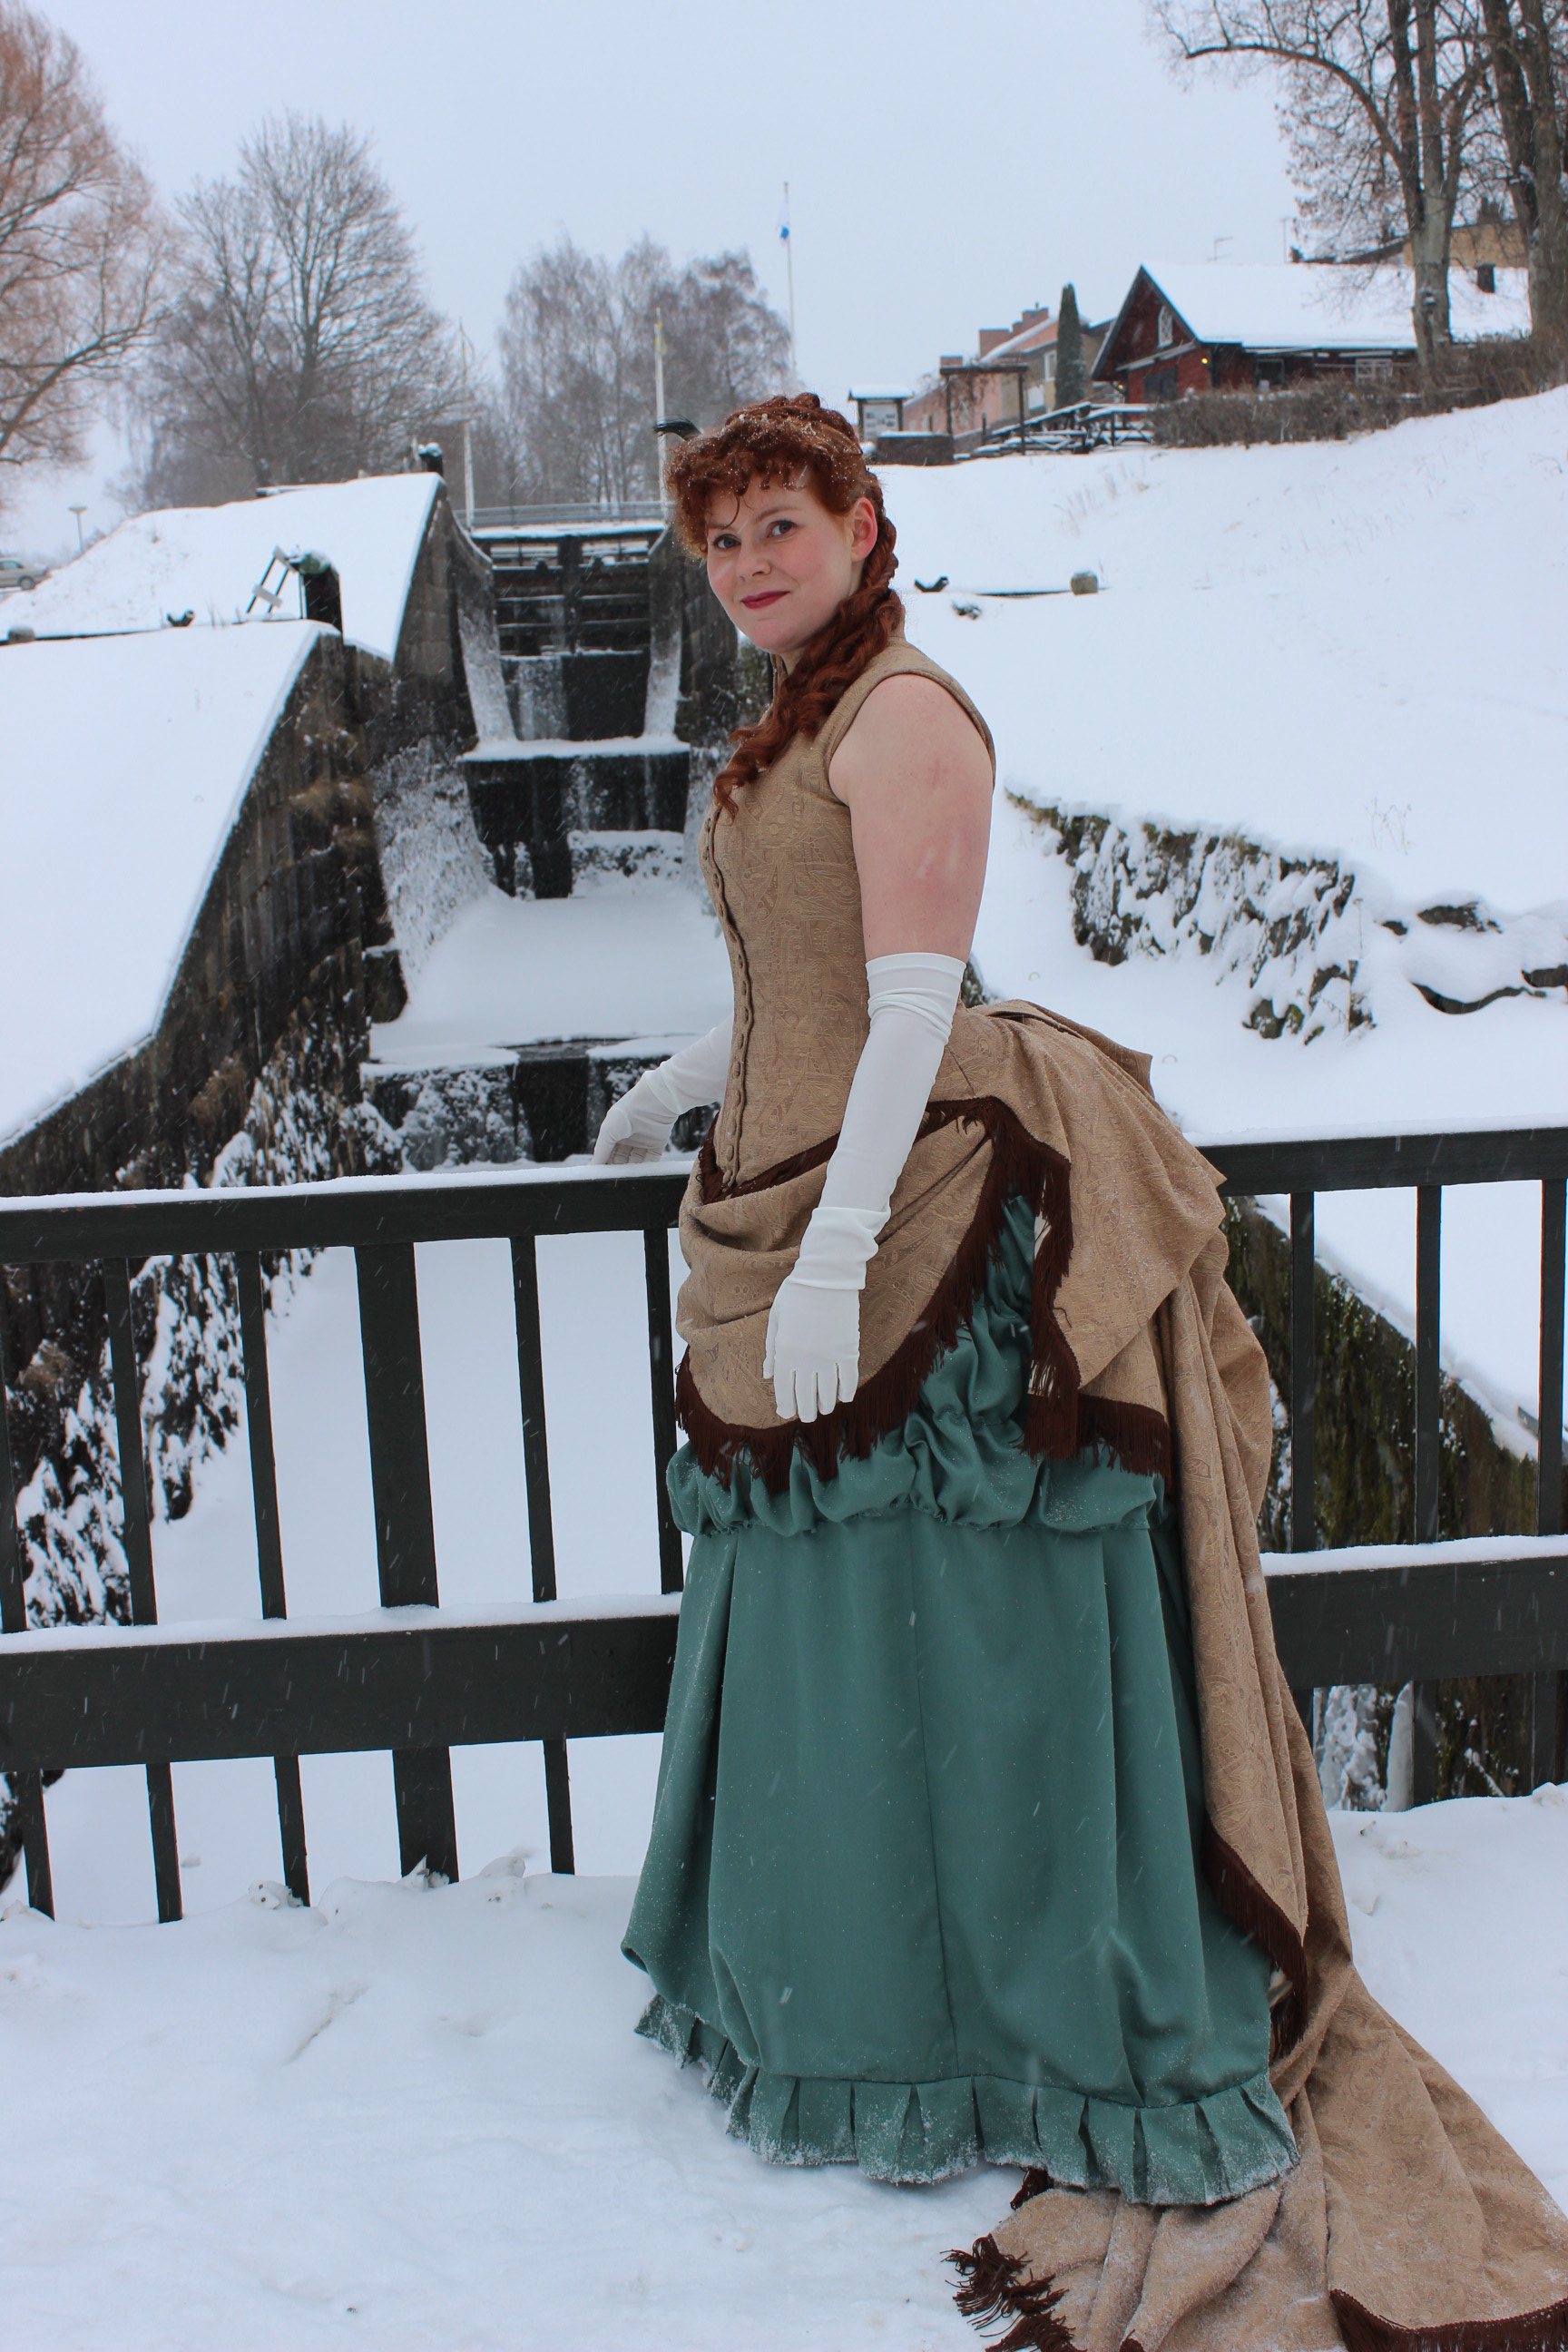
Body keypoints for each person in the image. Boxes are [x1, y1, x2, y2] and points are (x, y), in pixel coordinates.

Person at [593, 395, 1568, 2348]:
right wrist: (693, 1083)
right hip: (801, 1193)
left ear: (865, 529)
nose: (752, 563)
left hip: (917, 1224)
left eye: (785, 524)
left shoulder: (908, 716)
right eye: (724, 539)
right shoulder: (795, 717)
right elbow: (806, 975)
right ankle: (875, 2000)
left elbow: (909, 1015)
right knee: (866, 1649)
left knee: (974, 1648)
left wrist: (842, 1255)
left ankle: (1003, 2026)